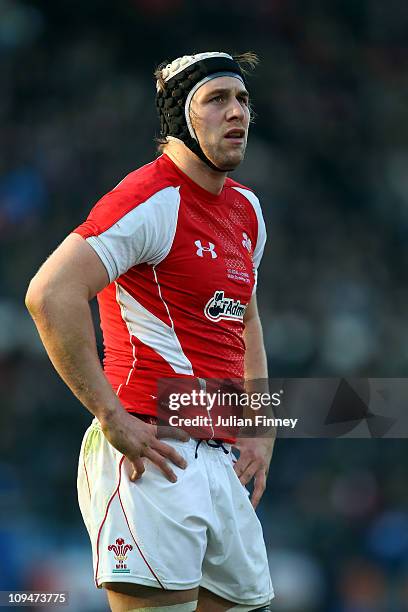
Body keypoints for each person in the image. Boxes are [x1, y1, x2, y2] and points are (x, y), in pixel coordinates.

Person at [26, 51, 275, 612]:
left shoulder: (247, 211)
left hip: (220, 456)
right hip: (152, 454)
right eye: (216, 100)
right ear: (179, 118)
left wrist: (260, 428)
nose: (237, 112)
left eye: (242, 100)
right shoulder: (150, 197)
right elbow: (49, 294)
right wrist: (112, 417)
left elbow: (247, 319)